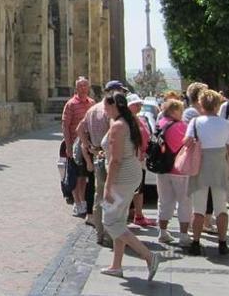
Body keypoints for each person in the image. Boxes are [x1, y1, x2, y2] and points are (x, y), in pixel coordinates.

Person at [99, 93, 162, 280]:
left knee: (109, 221)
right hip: (130, 175)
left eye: (106, 107)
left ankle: (149, 256)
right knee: (119, 221)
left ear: (114, 106)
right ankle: (116, 265)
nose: (104, 110)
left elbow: (116, 160)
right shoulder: (125, 122)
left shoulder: (119, 126)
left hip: (122, 179)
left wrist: (108, 187)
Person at [183, 89, 229, 256]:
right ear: (217, 105)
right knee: (221, 209)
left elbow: (186, 142)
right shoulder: (225, 124)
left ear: (201, 104)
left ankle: (196, 242)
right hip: (220, 166)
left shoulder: (195, 122)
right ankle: (222, 243)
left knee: (198, 209)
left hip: (200, 166)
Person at [77, 80, 123, 245]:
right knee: (111, 196)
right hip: (109, 157)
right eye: (119, 91)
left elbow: (79, 130)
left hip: (97, 156)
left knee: (99, 195)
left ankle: (99, 233)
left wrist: (90, 147)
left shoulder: (92, 109)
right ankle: (111, 233)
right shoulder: (110, 112)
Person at [154, 99, 193, 247]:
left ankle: (162, 232)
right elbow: (189, 145)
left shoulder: (160, 123)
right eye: (180, 110)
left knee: (164, 201)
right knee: (184, 201)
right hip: (179, 169)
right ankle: (183, 236)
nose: (182, 113)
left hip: (162, 167)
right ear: (174, 111)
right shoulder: (182, 126)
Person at [62, 77, 95, 217]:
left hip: (87, 145)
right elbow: (65, 126)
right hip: (75, 146)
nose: (83, 88)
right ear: (76, 88)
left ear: (88, 87)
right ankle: (77, 202)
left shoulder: (92, 103)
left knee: (83, 176)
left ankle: (81, 201)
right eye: (80, 86)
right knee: (75, 176)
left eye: (85, 85)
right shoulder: (70, 104)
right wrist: (68, 147)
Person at [126, 93, 155, 228]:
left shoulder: (139, 119)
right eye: (136, 105)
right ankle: (132, 215)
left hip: (140, 158)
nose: (139, 107)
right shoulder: (126, 121)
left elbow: (147, 136)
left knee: (139, 188)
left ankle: (138, 214)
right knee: (133, 188)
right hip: (132, 158)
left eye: (140, 104)